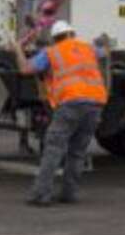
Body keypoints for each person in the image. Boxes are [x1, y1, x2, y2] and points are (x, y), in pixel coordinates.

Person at [14, 19, 107, 207]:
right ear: (72, 34)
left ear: (55, 39)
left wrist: (17, 48)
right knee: (78, 152)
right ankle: (69, 194)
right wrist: (102, 41)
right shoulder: (88, 49)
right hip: (95, 104)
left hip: (70, 103)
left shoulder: (51, 52)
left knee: (54, 149)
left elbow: (25, 69)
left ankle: (41, 195)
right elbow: (105, 52)